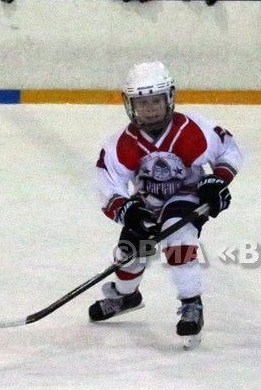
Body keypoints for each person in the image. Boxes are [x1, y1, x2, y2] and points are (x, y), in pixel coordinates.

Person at [91, 62, 242, 348]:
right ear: (130, 104)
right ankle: (126, 296)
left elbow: (228, 150)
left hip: (186, 196)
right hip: (146, 202)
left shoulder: (192, 128)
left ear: (169, 98)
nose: (150, 109)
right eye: (142, 103)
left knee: (178, 236)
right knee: (130, 253)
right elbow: (108, 183)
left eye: (155, 101)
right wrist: (128, 211)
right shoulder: (122, 143)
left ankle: (191, 304)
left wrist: (217, 181)